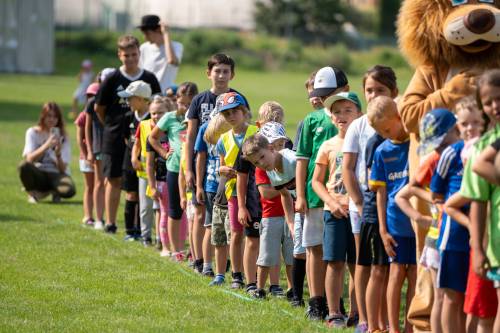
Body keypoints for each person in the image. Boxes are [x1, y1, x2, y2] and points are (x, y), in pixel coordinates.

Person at [343, 65, 398, 333]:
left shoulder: (398, 119)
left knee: (387, 266)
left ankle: (387, 321)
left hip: (392, 203)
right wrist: (360, 202)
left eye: (381, 90)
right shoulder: (359, 125)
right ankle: (366, 320)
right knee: (365, 263)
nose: (374, 95)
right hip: (365, 203)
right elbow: (348, 168)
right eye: (369, 90)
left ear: (394, 92)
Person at [295, 66, 348, 320]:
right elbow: (302, 159)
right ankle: (317, 301)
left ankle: (336, 301)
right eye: (322, 94)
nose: (325, 99)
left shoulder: (353, 118)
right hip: (315, 196)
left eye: (331, 93)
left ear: (345, 90)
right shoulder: (312, 120)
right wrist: (301, 195)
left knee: (339, 253)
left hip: (343, 197)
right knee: (315, 248)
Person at [95, 35, 161, 234]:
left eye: (134, 54)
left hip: (142, 139)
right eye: (126, 55)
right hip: (114, 137)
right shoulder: (112, 78)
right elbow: (99, 108)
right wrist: (112, 126)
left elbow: (158, 105)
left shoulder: (149, 78)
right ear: (119, 55)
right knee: (113, 179)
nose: (130, 58)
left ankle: (140, 227)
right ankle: (111, 223)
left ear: (139, 54)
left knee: (139, 180)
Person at [311, 92, 363, 328]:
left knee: (357, 264)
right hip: (334, 212)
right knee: (334, 262)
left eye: (348, 110)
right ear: (331, 118)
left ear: (359, 114)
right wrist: (331, 203)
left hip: (360, 213)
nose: (342, 116)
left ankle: (356, 312)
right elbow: (317, 182)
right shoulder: (328, 145)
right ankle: (334, 313)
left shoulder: (366, 142)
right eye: (337, 112)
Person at [367, 96, 416, 333]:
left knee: (416, 274)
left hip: (418, 221)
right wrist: (383, 230)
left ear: (399, 117)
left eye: (388, 129)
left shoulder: (416, 143)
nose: (386, 135)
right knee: (396, 272)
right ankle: (393, 328)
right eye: (381, 132)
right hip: (396, 223)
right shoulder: (382, 151)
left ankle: (411, 327)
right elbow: (381, 194)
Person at [460, 70, 500, 333]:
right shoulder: (482, 147)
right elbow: (478, 202)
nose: (495, 106)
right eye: (488, 102)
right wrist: (478, 248)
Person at [209, 92, 258, 287]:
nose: (231, 116)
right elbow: (220, 166)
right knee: (236, 234)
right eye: (226, 113)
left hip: (255, 190)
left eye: (235, 111)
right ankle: (237, 275)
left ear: (244, 111)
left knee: (254, 236)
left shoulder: (257, 131)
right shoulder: (223, 139)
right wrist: (222, 170)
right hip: (233, 192)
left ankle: (253, 277)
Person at [241, 123, 295, 299]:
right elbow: (266, 192)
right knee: (266, 256)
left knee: (291, 255)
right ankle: (259, 288)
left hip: (291, 214)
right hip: (271, 215)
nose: (261, 163)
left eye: (262, 157)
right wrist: (288, 190)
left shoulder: (289, 160)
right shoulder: (265, 169)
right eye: (257, 162)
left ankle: (292, 289)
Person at [185, 54, 249, 190]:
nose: (221, 76)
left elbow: (247, 132)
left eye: (226, 71)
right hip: (203, 164)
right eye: (217, 71)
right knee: (202, 205)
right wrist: (188, 169)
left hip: (232, 164)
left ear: (232, 75)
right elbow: (190, 137)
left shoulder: (238, 99)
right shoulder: (198, 100)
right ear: (208, 73)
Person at [149, 82, 198, 261]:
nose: (185, 107)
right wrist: (163, 153)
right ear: (176, 100)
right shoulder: (169, 117)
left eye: (189, 103)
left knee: (194, 213)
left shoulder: (198, 117)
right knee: (174, 210)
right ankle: (175, 250)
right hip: (174, 169)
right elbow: (152, 137)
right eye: (182, 103)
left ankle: (194, 252)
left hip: (194, 171)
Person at [195, 109, 231, 276]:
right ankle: (207, 265)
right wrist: (199, 186)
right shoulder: (208, 129)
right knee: (210, 226)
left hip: (230, 186)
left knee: (229, 229)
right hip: (212, 186)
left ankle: (228, 267)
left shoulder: (231, 133)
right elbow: (201, 157)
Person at [19, 102, 75, 203]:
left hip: (56, 174)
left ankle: (54, 191)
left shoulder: (64, 137)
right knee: (23, 166)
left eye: (55, 117)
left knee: (69, 190)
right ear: (43, 116)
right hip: (39, 172)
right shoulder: (33, 133)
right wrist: (46, 145)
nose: (52, 119)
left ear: (58, 119)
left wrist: (58, 155)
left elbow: (63, 169)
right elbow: (29, 159)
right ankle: (33, 193)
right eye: (49, 116)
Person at [118, 80, 153, 243]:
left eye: (130, 98)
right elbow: (127, 139)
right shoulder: (128, 117)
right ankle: (130, 231)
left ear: (140, 98)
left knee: (144, 198)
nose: (127, 102)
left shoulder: (153, 117)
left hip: (148, 165)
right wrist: (134, 156)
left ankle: (142, 230)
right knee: (131, 195)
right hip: (129, 162)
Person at [85, 68, 115, 230]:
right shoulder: (93, 102)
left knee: (112, 182)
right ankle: (98, 218)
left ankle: (111, 218)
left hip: (115, 146)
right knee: (99, 183)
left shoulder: (119, 100)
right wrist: (89, 150)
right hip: (99, 147)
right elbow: (86, 128)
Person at [144, 96, 173, 256]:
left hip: (177, 179)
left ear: (168, 112)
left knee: (178, 215)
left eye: (160, 112)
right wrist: (152, 186)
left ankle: (177, 246)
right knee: (164, 213)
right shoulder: (153, 138)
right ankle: (165, 247)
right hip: (162, 180)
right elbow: (149, 164)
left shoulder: (175, 131)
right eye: (153, 113)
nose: (156, 116)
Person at [75, 82, 100, 226]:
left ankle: (99, 216)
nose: (91, 98)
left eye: (94, 96)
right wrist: (86, 154)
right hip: (87, 156)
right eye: (89, 96)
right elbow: (79, 138)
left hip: (99, 155)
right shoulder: (83, 115)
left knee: (99, 185)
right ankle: (88, 215)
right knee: (89, 186)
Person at [138, 15, 183, 92]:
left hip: (166, 96)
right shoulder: (143, 48)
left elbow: (172, 61)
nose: (145, 37)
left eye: (147, 33)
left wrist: (166, 34)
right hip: (147, 94)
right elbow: (140, 72)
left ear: (159, 30)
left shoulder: (176, 46)